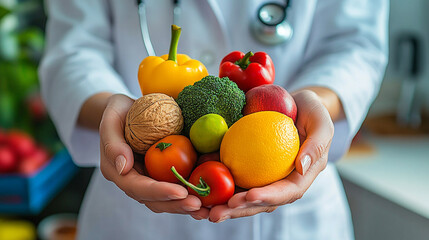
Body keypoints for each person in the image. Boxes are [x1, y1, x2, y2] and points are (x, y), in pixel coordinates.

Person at [39, 0, 388, 239]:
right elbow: (74, 50)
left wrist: (314, 106)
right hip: (135, 204)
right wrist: (116, 115)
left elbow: (355, 46)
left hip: (289, 193)